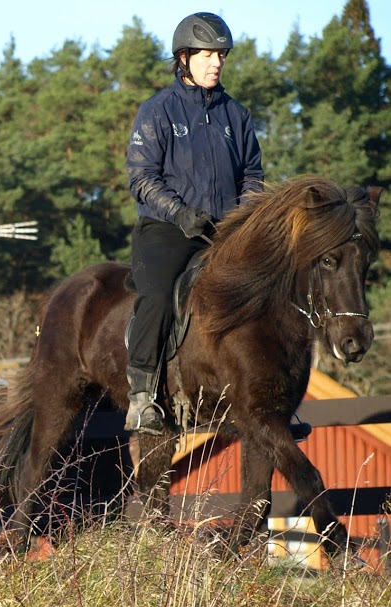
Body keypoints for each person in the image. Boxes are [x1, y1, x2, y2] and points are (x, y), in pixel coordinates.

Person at [124, 12, 264, 434]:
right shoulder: (158, 111)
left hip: (226, 232)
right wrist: (180, 212)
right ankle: (143, 397)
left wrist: (246, 218)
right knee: (159, 296)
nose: (216, 62)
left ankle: (270, 399)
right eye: (206, 54)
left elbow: (253, 175)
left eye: (220, 55)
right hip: (167, 230)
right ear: (183, 58)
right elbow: (141, 177)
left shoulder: (236, 116)